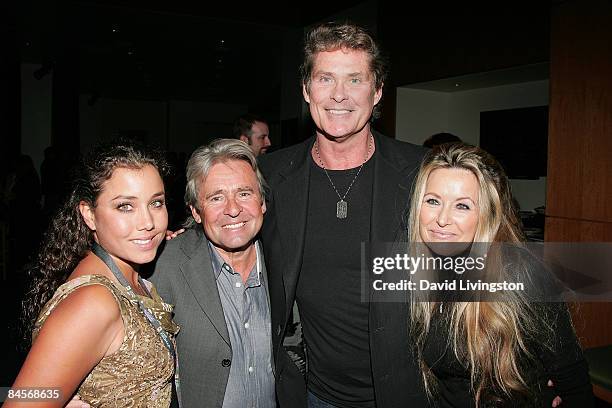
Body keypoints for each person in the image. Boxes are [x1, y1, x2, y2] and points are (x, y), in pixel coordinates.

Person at [258, 22, 428, 407]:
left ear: (377, 91)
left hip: (412, 392)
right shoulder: (272, 176)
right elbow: (222, 235)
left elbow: (481, 270)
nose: (339, 95)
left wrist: (541, 362)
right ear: (306, 90)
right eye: (325, 79)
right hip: (314, 393)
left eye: (355, 79)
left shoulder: (421, 172)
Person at [407, 143, 594, 406]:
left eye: (462, 206)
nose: (442, 219)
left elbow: (573, 379)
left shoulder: (521, 274)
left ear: (487, 214)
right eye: (433, 201)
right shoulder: (415, 269)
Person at [5, 139, 179, 407]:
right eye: (125, 206)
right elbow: (20, 400)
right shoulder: (93, 301)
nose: (148, 223)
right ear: (88, 214)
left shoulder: (126, 270)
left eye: (156, 203)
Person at [149, 139, 275, 408]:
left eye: (244, 193)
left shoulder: (285, 260)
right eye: (216, 197)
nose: (232, 209)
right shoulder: (167, 264)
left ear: (262, 202)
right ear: (196, 211)